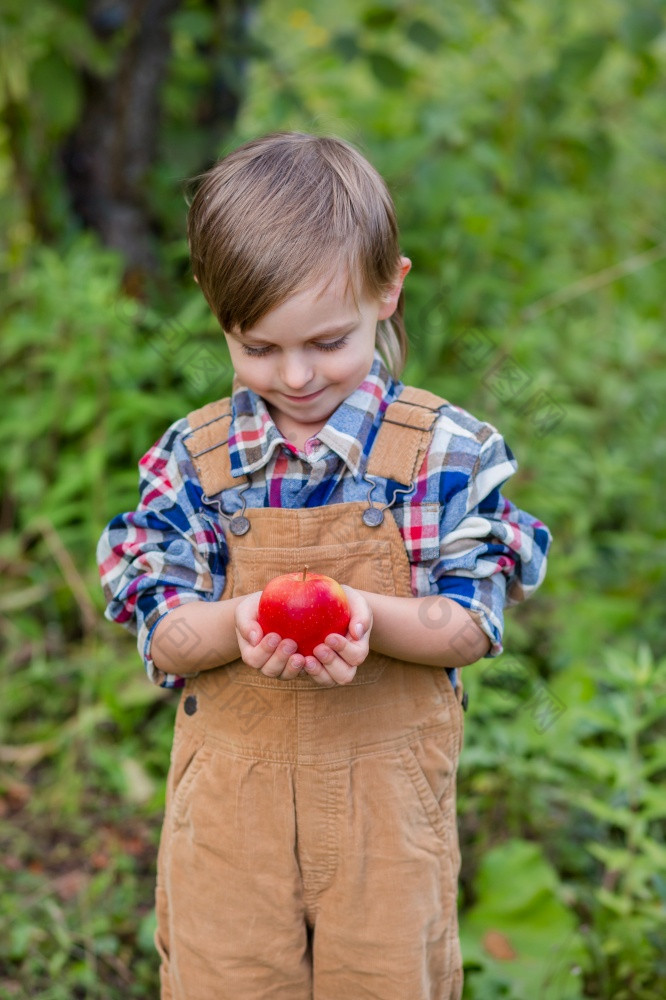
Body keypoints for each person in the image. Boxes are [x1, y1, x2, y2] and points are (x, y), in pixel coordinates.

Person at [97, 131, 551, 1000]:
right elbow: (163, 622)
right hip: (231, 823)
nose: (297, 376)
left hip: (388, 824)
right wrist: (241, 623)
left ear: (390, 289)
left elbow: (470, 622)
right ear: (215, 311)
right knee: (226, 979)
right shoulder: (194, 459)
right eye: (258, 348)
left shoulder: (446, 452)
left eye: (328, 342)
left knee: (387, 980)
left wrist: (364, 615)